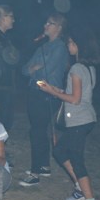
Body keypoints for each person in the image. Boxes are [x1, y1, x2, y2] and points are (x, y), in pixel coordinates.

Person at [37, 39, 100, 200]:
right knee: (59, 151)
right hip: (87, 118)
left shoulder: (76, 68)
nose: (69, 45)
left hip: (79, 121)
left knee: (77, 161)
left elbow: (75, 99)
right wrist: (56, 88)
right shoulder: (89, 68)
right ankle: (80, 189)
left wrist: (51, 92)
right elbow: (78, 94)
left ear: (81, 45)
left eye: (72, 42)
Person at [20, 13, 70, 187]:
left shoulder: (60, 47)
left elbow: (46, 70)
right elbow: (25, 70)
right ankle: (44, 166)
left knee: (37, 131)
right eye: (46, 22)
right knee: (38, 130)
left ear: (59, 28)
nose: (45, 25)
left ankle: (35, 173)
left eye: (50, 23)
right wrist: (34, 68)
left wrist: (35, 70)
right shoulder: (42, 46)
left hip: (48, 94)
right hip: (36, 91)